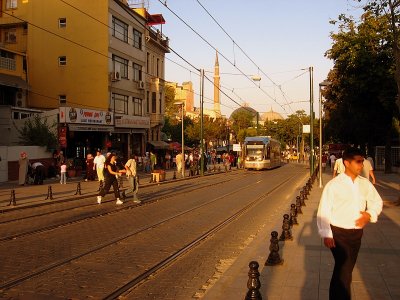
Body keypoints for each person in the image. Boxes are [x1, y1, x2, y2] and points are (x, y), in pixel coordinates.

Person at [317, 147, 383, 300]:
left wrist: (369, 214)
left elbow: (377, 201)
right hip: (339, 234)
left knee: (344, 269)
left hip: (356, 234)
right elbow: (324, 209)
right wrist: (326, 233)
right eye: (358, 162)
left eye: (362, 161)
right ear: (347, 163)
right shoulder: (333, 185)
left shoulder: (364, 184)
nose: (361, 165)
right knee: (344, 268)